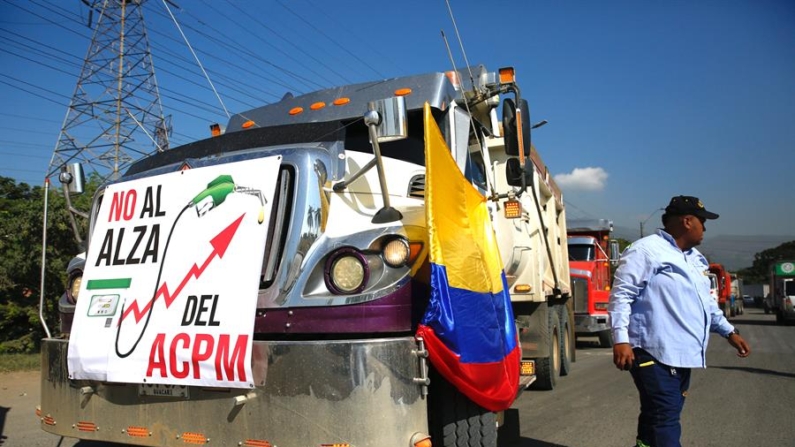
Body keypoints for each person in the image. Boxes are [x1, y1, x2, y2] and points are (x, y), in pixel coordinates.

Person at [608, 195, 751, 447]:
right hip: (652, 351)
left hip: (682, 353)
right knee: (666, 416)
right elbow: (621, 295)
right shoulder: (646, 250)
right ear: (687, 221)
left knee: (657, 414)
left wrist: (730, 332)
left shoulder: (696, 259)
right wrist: (620, 339)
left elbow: (707, 304)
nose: (704, 228)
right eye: (702, 222)